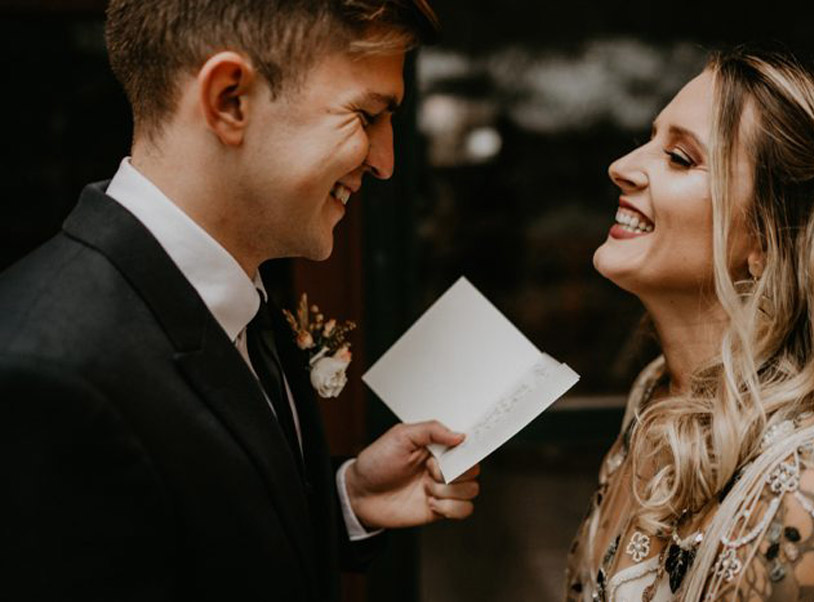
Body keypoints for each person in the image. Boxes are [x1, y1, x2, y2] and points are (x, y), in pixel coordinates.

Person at [0, 0, 480, 600]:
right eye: (366, 116)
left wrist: (346, 498)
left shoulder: (237, 296)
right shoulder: (45, 376)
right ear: (231, 99)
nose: (386, 162)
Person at [565, 47, 814, 601]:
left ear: (766, 239)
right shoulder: (656, 393)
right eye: (650, 138)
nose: (621, 166)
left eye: (678, 157)